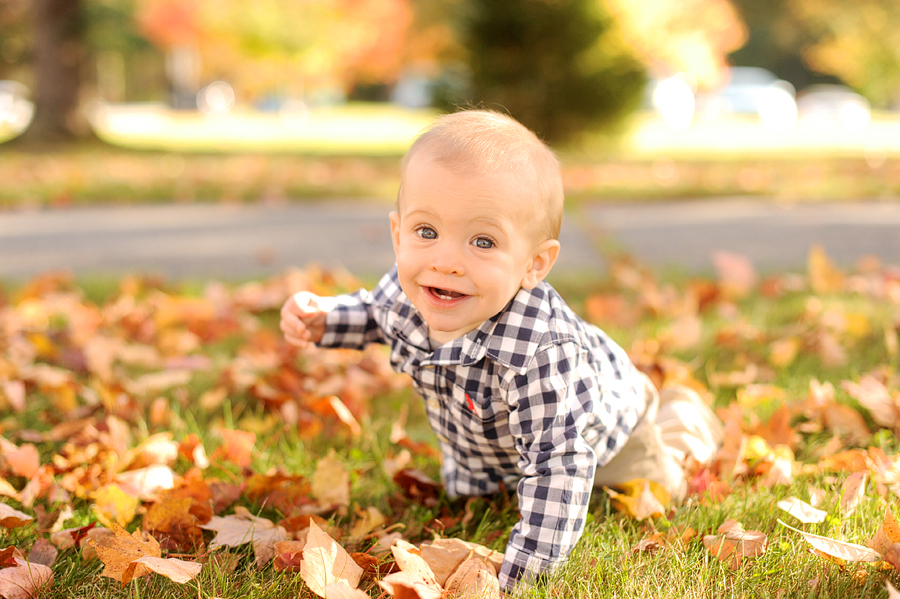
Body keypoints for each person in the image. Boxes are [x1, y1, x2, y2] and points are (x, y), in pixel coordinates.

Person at [280, 109, 722, 591]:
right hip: (489, 450)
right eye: (426, 232)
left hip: (607, 431)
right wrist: (324, 321)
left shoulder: (540, 353)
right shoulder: (414, 290)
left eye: (483, 241)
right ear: (398, 233)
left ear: (534, 264)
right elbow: (374, 314)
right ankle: (499, 476)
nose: (446, 262)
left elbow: (558, 464)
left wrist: (519, 576)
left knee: (661, 487)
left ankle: (685, 415)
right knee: (490, 488)